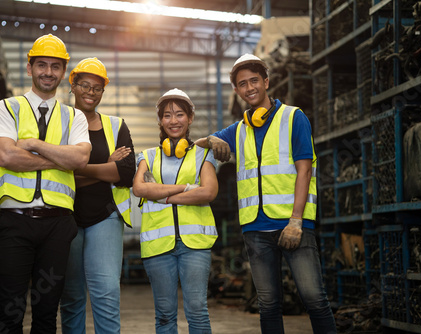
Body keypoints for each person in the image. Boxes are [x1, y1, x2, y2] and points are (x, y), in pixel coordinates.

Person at [195, 54, 337, 334]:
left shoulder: (293, 118)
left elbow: (305, 171)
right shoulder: (239, 129)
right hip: (256, 229)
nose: (249, 88)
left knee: (313, 298)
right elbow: (199, 144)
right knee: (268, 303)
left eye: (254, 81)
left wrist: (296, 221)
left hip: (292, 225)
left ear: (266, 82)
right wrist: (211, 138)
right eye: (242, 84)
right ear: (236, 90)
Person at [0, 34, 91, 333]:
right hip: (16, 223)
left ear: (63, 72)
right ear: (30, 67)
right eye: (42, 65)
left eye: (55, 66)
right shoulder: (7, 108)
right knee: (10, 310)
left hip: (57, 227)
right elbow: (6, 155)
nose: (48, 72)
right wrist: (61, 158)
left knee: (47, 313)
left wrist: (32, 144)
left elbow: (81, 159)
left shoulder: (75, 117)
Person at [132, 89, 218, 334]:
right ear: (160, 120)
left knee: (197, 310)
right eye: (167, 115)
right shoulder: (147, 156)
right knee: (165, 315)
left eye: (179, 114)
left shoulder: (203, 155)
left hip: (196, 244)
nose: (173, 121)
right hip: (157, 246)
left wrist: (162, 195)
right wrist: (185, 188)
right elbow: (139, 188)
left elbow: (208, 192)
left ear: (190, 118)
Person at [60, 57, 135, 333]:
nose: (90, 93)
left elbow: (126, 174)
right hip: (66, 217)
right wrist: (106, 168)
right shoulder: (58, 122)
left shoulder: (116, 126)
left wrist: (76, 169)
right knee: (71, 296)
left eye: (97, 88)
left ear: (103, 91)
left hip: (105, 216)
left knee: (106, 294)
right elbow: (52, 175)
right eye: (85, 86)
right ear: (73, 85)